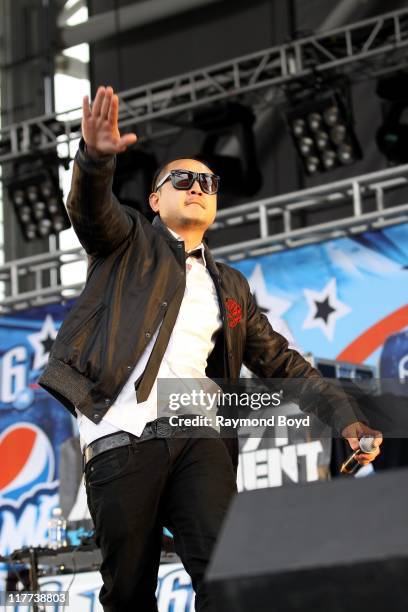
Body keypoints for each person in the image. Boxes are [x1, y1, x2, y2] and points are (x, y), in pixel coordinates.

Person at [39, 86, 382, 612]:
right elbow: (89, 210)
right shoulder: (127, 244)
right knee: (128, 596)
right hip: (119, 439)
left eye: (208, 182)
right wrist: (95, 158)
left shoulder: (230, 286)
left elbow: (282, 362)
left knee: (228, 579)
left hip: (197, 436)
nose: (198, 187)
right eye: (183, 180)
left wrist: (345, 416)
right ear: (155, 199)